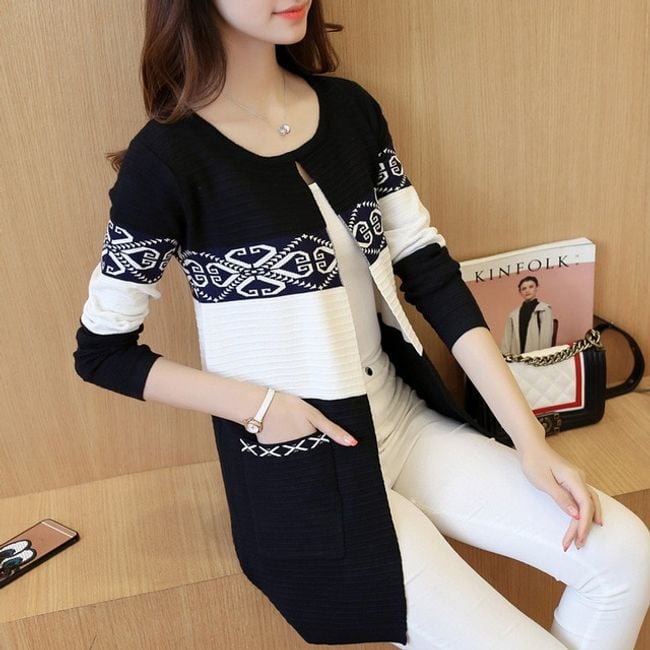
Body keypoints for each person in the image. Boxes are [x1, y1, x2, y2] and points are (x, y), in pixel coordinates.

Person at [73, 1, 650, 647]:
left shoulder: (349, 111)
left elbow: (427, 267)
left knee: (628, 556)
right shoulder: (167, 161)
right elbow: (102, 352)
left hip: (402, 417)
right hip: (308, 466)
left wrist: (530, 440)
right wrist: (259, 407)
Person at [501, 275, 554, 355]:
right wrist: (505, 356)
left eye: (531, 287)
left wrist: (542, 357)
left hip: (536, 357)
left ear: (536, 288)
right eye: (524, 288)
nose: (527, 290)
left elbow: (546, 338)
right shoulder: (513, 315)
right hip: (517, 357)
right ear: (520, 292)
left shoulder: (544, 309)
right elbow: (507, 339)